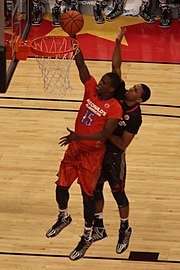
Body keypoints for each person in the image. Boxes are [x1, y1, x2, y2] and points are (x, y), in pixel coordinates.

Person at [45, 35, 124, 261]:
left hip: (92, 155)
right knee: (61, 186)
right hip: (74, 149)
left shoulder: (114, 108)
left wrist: (78, 135)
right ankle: (64, 217)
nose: (98, 84)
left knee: (87, 196)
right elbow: (81, 66)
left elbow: (105, 134)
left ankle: (88, 235)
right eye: (99, 81)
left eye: (103, 84)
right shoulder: (90, 89)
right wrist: (74, 41)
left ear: (111, 89)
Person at [91, 27, 151, 254]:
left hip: (114, 155)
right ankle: (98, 227)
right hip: (99, 148)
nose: (131, 88)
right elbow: (116, 67)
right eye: (132, 86)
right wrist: (117, 41)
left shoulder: (135, 117)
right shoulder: (119, 92)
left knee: (118, 193)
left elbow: (124, 144)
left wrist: (106, 132)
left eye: (135, 89)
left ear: (140, 99)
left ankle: (125, 229)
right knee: (95, 190)